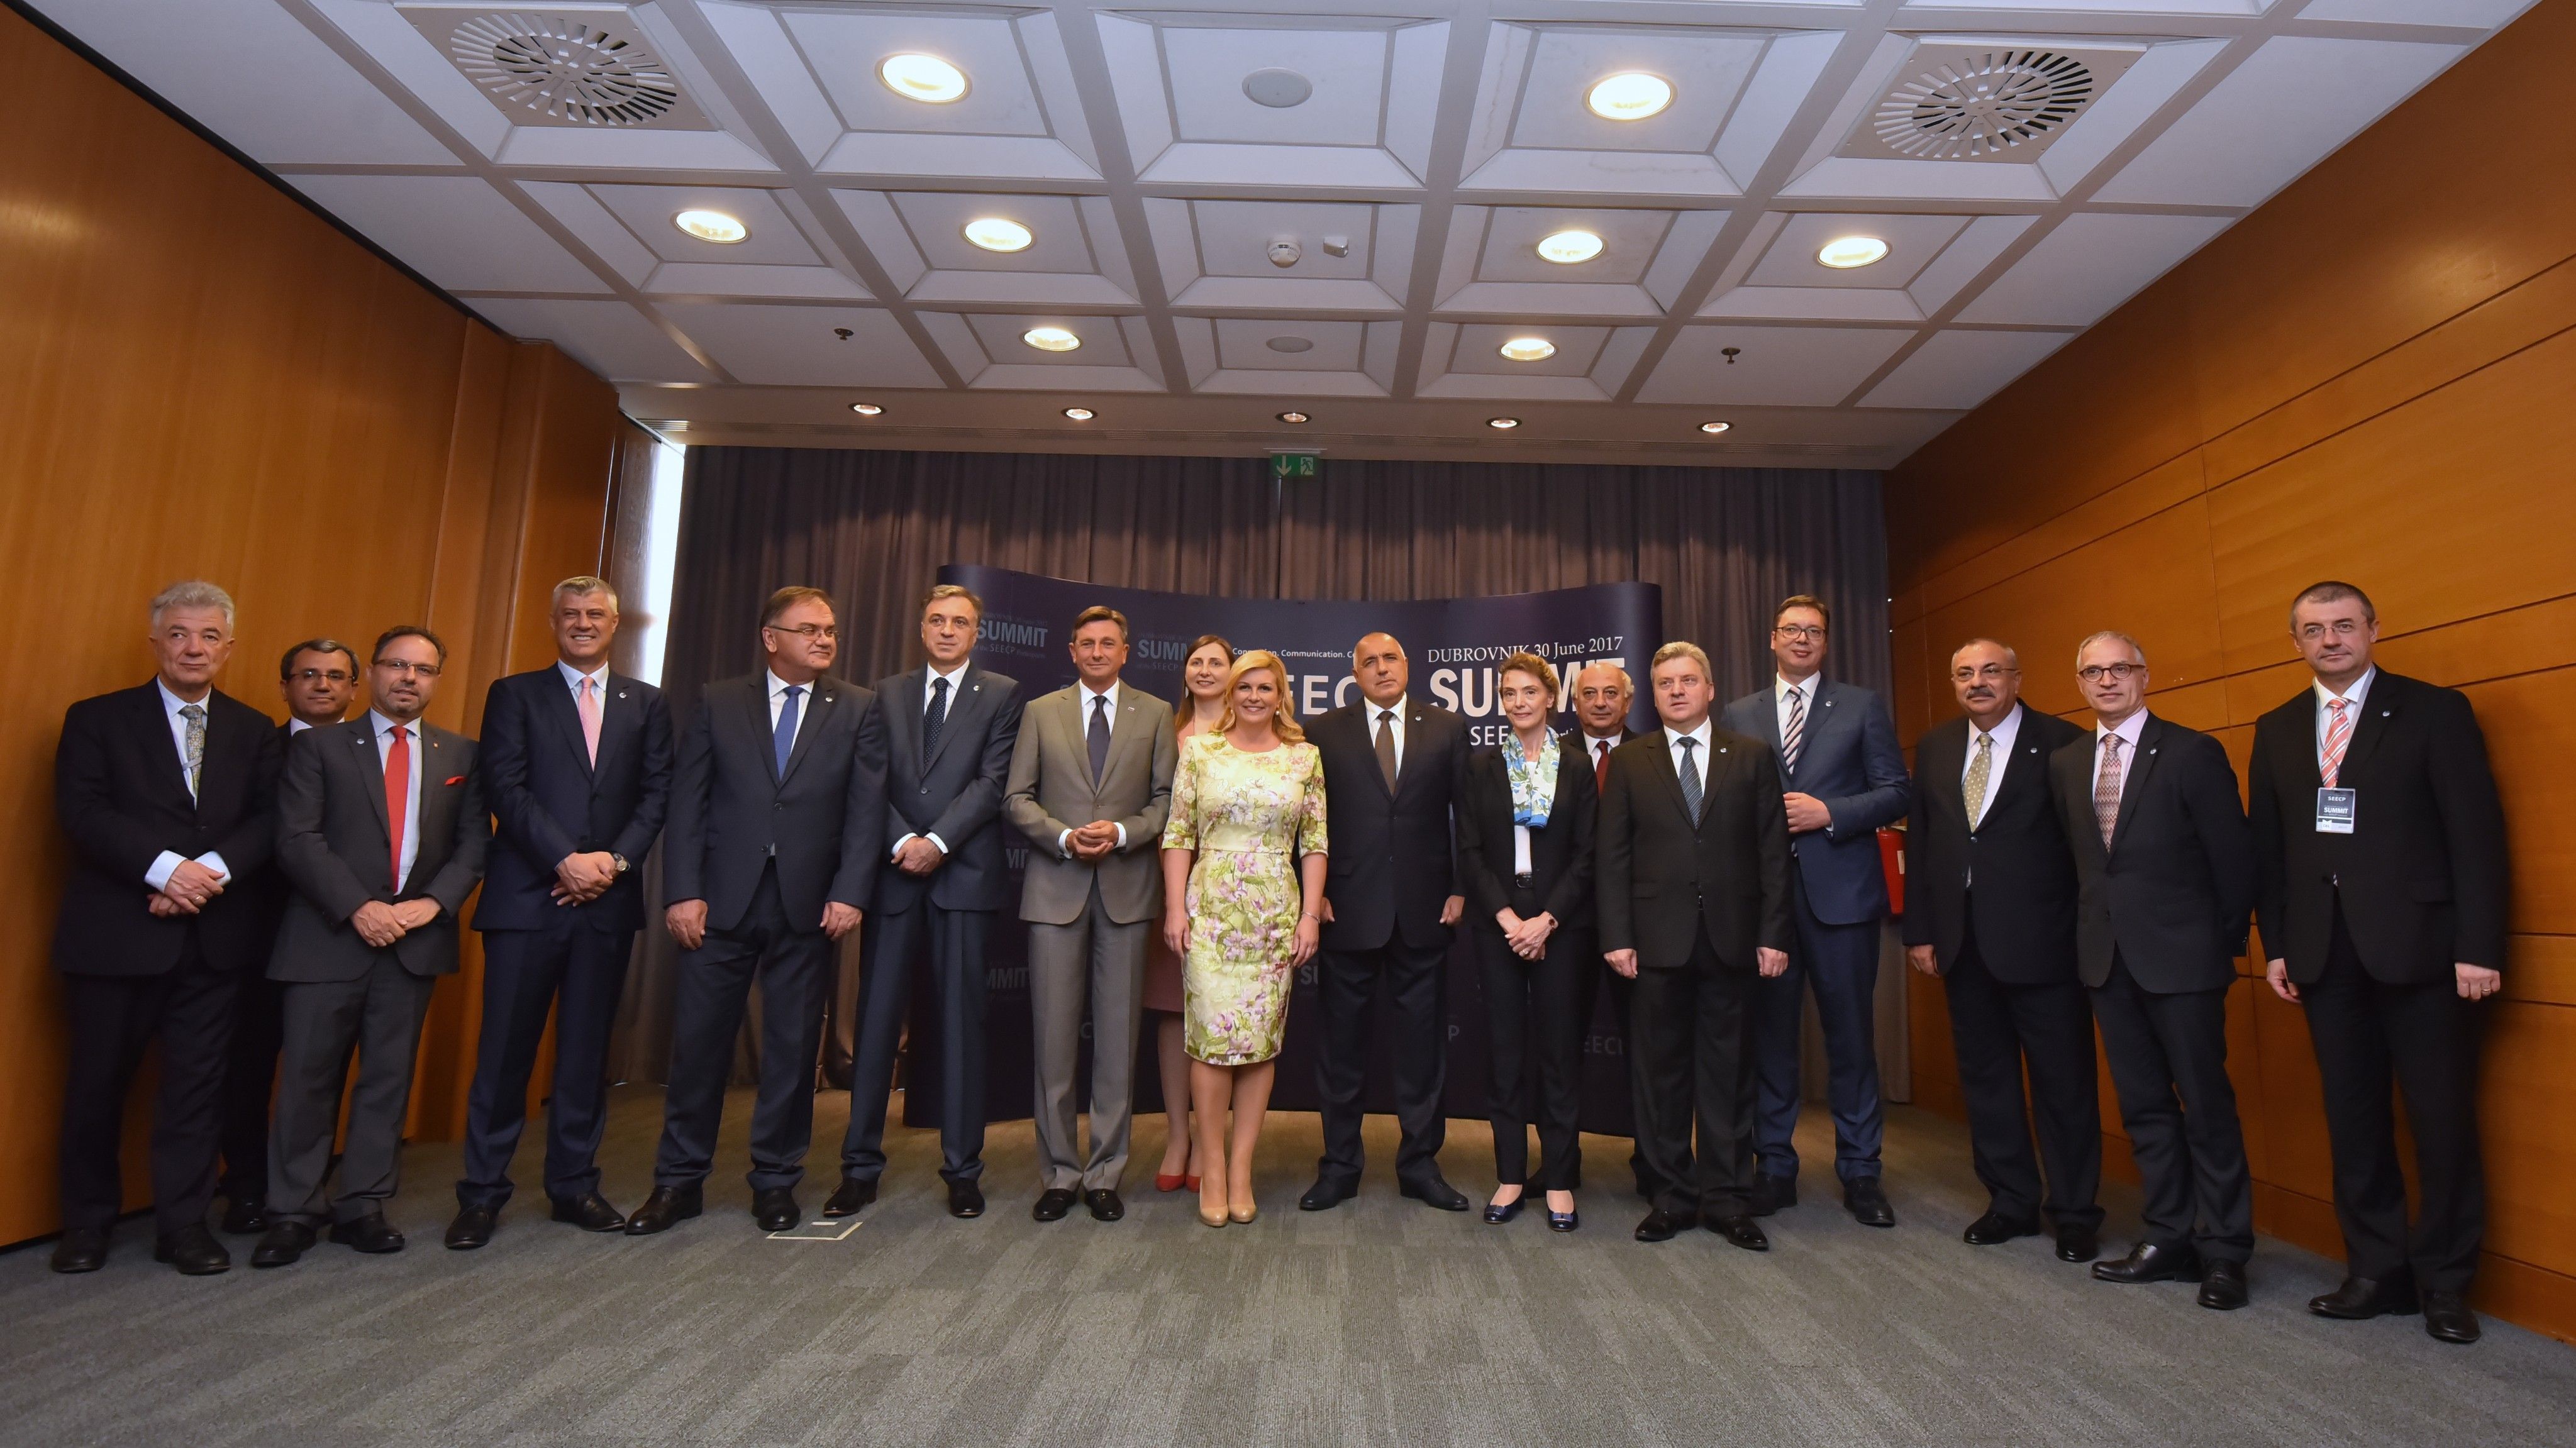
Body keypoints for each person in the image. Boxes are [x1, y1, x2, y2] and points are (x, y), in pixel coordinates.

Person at [2250, 582, 2507, 1346]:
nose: (2328, 640)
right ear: (2294, 641)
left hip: (2427, 956)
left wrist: (2479, 946)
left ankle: (2445, 1282)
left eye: (2341, 625)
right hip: (2325, 957)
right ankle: (2377, 1270)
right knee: (2353, 1121)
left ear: (2372, 629)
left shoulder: (2433, 710)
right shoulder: (2276, 727)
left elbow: (2477, 836)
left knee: (2442, 1123)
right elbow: (2271, 849)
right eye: (2311, 629)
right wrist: (2280, 942)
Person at [49, 582, 284, 1276]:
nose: (194, 647)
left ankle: (183, 1226)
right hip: (116, 937)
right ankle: (86, 1224)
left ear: (229, 648)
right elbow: (82, 811)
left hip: (212, 944)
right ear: (156, 641)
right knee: (96, 1086)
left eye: (209, 636)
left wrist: (202, 873)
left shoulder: (253, 727)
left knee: (196, 1091)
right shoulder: (97, 719)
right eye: (180, 633)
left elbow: (269, 822)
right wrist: (163, 870)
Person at [631, 587, 882, 1237]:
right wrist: (682, 890)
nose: (824, 640)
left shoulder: (857, 706)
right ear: (771, 637)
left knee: (793, 1051)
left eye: (829, 630)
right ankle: (678, 1181)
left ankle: (775, 1179)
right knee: (699, 1048)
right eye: (809, 630)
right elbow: (689, 801)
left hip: (808, 903)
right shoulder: (719, 699)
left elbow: (865, 810)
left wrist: (851, 889)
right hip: (718, 901)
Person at [448, 577, 672, 1249]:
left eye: (595, 614)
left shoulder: (647, 703)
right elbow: (504, 787)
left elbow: (657, 793)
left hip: (606, 902)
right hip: (526, 900)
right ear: (552, 621)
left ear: (615, 624)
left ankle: (574, 1185)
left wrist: (613, 863)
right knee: (505, 1054)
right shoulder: (514, 694)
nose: (583, 623)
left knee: (583, 1055)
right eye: (570, 614)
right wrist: (564, 861)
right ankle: (481, 1195)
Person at [255, 626, 488, 1267]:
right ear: (373, 675)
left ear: (437, 678)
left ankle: (362, 1203)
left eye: (424, 668)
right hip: (329, 937)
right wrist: (360, 907)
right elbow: (297, 839)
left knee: (387, 1080)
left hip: (412, 941)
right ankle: (293, 1210)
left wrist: (432, 904)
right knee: (307, 1079)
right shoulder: (320, 747)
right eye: (396, 665)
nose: (409, 678)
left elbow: (473, 845)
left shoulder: (461, 753)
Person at [2050, 630, 2257, 1310]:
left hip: (2185, 962)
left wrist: (2215, 949)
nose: (2107, 680)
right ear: (2079, 682)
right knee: (2142, 1107)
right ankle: (2169, 1234)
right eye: (2093, 671)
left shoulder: (2192, 752)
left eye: (2120, 668)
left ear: (2145, 674)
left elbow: (2233, 862)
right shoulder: (2068, 760)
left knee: (2206, 1106)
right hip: (2106, 961)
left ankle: (2225, 1249)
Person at [1902, 639, 2101, 1263]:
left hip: (2045, 945)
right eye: (1964, 673)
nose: (1977, 682)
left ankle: (2073, 1211)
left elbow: (2084, 848)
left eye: (1991, 671)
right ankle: (2010, 1200)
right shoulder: (1935, 745)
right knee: (1986, 1082)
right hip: (1963, 945)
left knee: (2063, 1084)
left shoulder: (2066, 741)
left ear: (2017, 677)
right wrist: (1920, 929)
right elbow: (1927, 841)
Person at [833, 584, 1023, 1221]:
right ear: (921, 628)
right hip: (891, 875)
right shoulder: (881, 694)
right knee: (877, 1024)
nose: (947, 630)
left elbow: (993, 781)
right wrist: (904, 840)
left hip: (962, 877)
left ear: (977, 632)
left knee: (960, 1028)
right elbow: (867, 781)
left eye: (960, 622)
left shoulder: (1001, 693)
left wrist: (937, 840)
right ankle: (859, 1166)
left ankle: (963, 1169)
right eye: (937, 620)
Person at [1719, 594, 1910, 1227]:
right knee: (1771, 1039)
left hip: (1843, 901)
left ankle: (1861, 1171)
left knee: (1851, 1039)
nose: (1802, 639)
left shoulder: (1861, 705)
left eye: (1814, 631)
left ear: (1825, 642)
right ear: (1771, 638)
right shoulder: (1738, 712)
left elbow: (1894, 790)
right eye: (1791, 629)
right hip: (1764, 905)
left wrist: (1831, 813)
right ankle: (1773, 1165)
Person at [1598, 642, 1792, 1248]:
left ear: (1710, 689)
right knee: (1660, 1075)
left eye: (1687, 680)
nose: (1677, 690)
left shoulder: (1753, 757)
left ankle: (1727, 1199)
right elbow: (1613, 856)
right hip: (1655, 942)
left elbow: (1773, 854)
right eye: (1664, 683)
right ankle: (1671, 1196)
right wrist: (1618, 935)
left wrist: (1773, 934)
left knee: (1729, 1074)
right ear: (1652, 696)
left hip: (1733, 940)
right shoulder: (1632, 761)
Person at [1002, 605, 1177, 1224]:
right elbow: (1016, 797)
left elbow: (1165, 802)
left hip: (1128, 894)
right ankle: (1058, 1173)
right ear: (1072, 651)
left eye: (1109, 643)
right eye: (1087, 643)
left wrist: (1126, 832)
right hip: (1056, 890)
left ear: (1125, 650)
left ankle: (1104, 1172)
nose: (1098, 651)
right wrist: (1063, 835)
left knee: (1116, 1042)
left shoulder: (1155, 713)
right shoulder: (1040, 711)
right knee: (1052, 1041)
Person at [1299, 632, 1472, 1213]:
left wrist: (1460, 886)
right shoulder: (1322, 731)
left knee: (1422, 1052)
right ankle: (1340, 1166)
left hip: (1426, 910)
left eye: (1390, 658)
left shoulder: (1446, 727)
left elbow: (1468, 816)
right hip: (1345, 909)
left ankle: (1420, 1165)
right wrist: (1311, 895)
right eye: (1368, 661)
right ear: (1354, 672)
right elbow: (1306, 820)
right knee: (1341, 1051)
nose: (1381, 668)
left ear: (1407, 663)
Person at [1160, 649, 1328, 1227]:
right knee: (1209, 1040)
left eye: (1266, 687)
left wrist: (1309, 916)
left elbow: (1315, 842)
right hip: (1209, 911)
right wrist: (1175, 908)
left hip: (1274, 916)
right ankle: (1209, 1163)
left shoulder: (1305, 758)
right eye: (1245, 686)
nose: (1255, 696)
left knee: (1260, 1044)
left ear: (1282, 695)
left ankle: (1240, 1171)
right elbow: (1179, 831)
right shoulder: (1199, 751)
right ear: (1229, 694)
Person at [214, 637, 359, 1239]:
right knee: (248, 1065)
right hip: (257, 933)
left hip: (344, 935)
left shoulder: (375, 752)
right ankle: (247, 1187)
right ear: (285, 686)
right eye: (308, 675)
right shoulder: (252, 747)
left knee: (322, 1069)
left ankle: (313, 1188)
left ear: (355, 687)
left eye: (335, 676)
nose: (322, 685)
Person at [1456, 653, 1596, 1230]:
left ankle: (1559, 1180)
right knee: (1506, 1055)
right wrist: (1509, 919)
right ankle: (1511, 1174)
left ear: (1551, 698)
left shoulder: (1577, 764)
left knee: (1560, 1057)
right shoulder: (1483, 764)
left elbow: (1590, 854)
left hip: (1561, 924)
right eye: (1509, 693)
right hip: (1500, 922)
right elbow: (1469, 850)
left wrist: (1547, 920)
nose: (1518, 702)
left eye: (1529, 692)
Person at [1567, 660, 1658, 1203]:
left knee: (1648, 1051)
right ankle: (1560, 1160)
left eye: (1611, 694)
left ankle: (1654, 1162)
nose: (1600, 702)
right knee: (1559, 1049)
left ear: (1628, 702)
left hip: (1640, 925)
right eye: (1589, 694)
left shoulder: (1655, 754)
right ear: (1574, 702)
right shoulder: (1550, 754)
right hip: (1567, 923)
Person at [1146, 634, 1231, 1193]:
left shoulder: (1251, 733)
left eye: (1216, 662)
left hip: (1233, 891)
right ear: (1184, 674)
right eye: (1195, 661)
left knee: (1221, 1019)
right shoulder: (1162, 731)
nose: (1204, 670)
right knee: (1174, 1013)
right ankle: (1179, 1136)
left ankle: (1210, 1140)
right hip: (1168, 883)